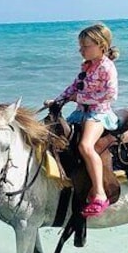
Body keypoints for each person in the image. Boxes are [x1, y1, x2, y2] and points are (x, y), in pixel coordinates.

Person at [48, 23, 119, 218]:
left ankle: (100, 194)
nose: (81, 50)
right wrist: (58, 100)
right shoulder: (87, 66)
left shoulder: (107, 67)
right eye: (80, 46)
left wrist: (80, 99)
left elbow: (111, 95)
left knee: (85, 146)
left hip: (98, 114)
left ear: (101, 45)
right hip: (81, 112)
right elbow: (74, 87)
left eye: (85, 46)